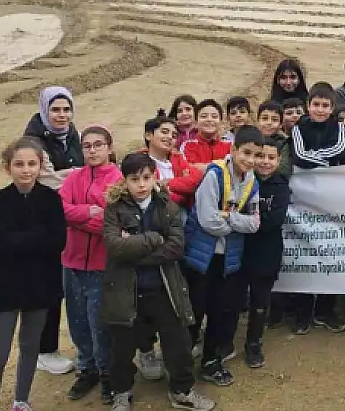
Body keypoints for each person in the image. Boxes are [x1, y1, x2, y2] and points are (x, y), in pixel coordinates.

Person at [101, 152, 215, 411]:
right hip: (125, 290)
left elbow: (175, 248)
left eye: (146, 177)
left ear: (155, 177)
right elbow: (114, 247)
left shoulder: (168, 207)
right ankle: (122, 393)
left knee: (178, 343)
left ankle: (182, 390)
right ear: (124, 180)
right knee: (122, 348)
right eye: (134, 179)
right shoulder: (114, 209)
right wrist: (153, 238)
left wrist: (132, 247)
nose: (141, 184)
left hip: (165, 288)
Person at [0, 137, 67, 411]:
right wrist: (37, 237)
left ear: (41, 166)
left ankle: (21, 400)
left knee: (30, 347)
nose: (26, 170)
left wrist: (23, 240)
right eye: (19, 164)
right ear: (8, 167)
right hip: (6, 288)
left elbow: (58, 242)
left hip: (41, 288)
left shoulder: (52, 199)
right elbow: (0, 243)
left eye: (32, 163)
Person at [182, 126, 263, 387]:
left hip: (227, 260)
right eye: (246, 152)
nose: (250, 160)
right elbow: (207, 221)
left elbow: (255, 224)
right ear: (234, 149)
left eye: (256, 155)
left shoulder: (252, 182)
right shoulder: (214, 175)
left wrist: (227, 216)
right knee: (193, 312)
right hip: (201, 258)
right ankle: (181, 368)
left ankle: (211, 362)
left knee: (221, 312)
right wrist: (235, 223)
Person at [59, 125, 122, 404]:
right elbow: (60, 211)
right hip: (71, 262)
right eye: (87, 146)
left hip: (101, 265)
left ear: (109, 147)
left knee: (100, 324)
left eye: (98, 145)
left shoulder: (118, 180)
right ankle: (87, 369)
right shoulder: (73, 178)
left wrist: (80, 219)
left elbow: (113, 223)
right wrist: (87, 212)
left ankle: (107, 373)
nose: (92, 150)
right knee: (77, 321)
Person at [21, 86, 81, 375]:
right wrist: (78, 177)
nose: (61, 115)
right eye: (55, 109)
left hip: (66, 219)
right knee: (46, 287)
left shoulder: (72, 135)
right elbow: (46, 181)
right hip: (40, 221)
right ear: (45, 109)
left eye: (66, 109)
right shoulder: (32, 140)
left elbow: (64, 177)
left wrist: (68, 177)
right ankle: (44, 350)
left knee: (62, 284)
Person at [290, 83, 345, 334]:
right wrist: (324, 161)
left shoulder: (339, 128)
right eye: (316, 104)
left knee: (330, 252)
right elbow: (299, 155)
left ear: (332, 108)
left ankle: (325, 310)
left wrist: (316, 158)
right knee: (304, 253)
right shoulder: (297, 128)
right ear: (308, 106)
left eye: (326, 105)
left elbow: (340, 149)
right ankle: (303, 312)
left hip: (330, 199)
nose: (321, 109)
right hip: (303, 199)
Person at [236, 136, 292, 368]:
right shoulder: (242, 180)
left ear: (279, 160)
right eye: (260, 156)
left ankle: (254, 344)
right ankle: (223, 343)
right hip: (239, 250)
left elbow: (273, 220)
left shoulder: (281, 187)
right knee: (233, 299)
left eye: (271, 157)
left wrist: (241, 220)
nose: (265, 162)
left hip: (267, 252)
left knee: (260, 301)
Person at [144, 111, 203, 210]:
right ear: (148, 135)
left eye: (174, 135)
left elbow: (196, 180)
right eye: (164, 132)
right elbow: (150, 195)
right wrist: (182, 192)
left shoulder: (178, 159)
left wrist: (167, 183)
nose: (170, 137)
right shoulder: (139, 161)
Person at [182, 100, 233, 169]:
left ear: (221, 122)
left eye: (214, 116)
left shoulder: (230, 146)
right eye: (204, 116)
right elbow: (189, 170)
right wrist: (222, 166)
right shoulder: (187, 146)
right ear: (195, 122)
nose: (209, 119)